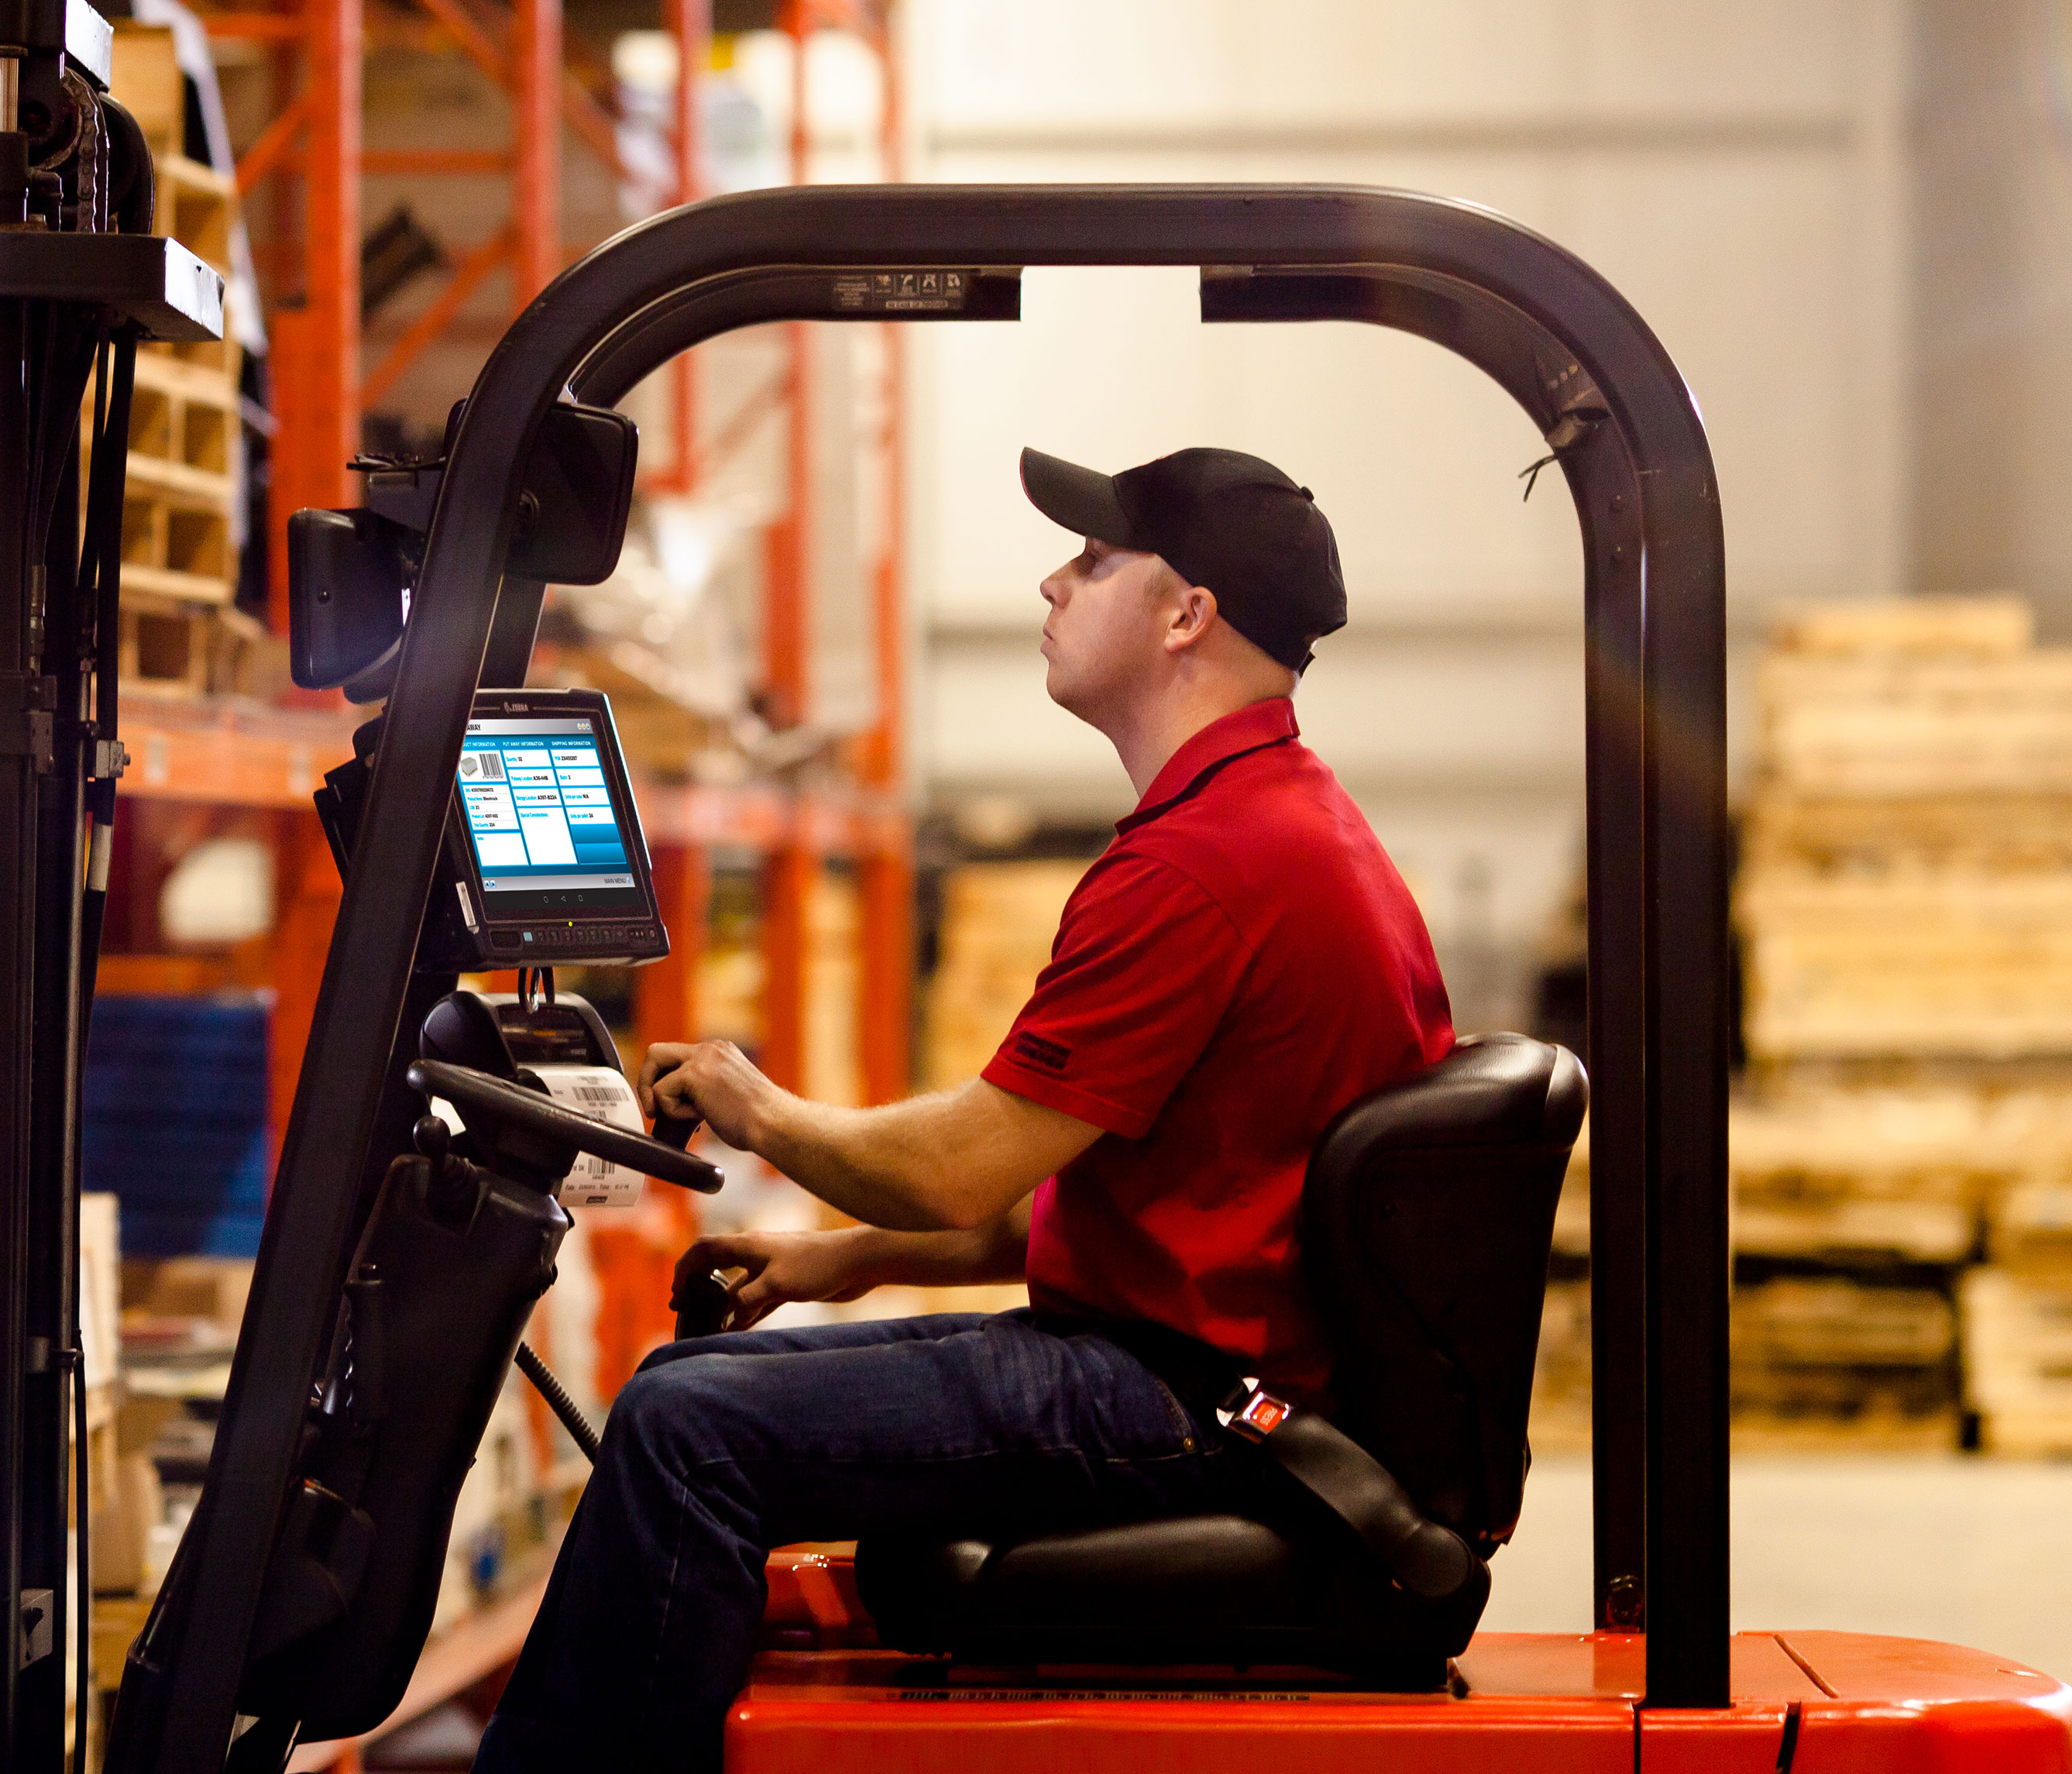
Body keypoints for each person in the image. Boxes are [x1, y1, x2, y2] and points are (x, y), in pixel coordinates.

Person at [469, 445, 1455, 1774]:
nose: (1054, 578)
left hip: (1188, 1400)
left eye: (1096, 559)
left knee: (686, 1428)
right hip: (1207, 1374)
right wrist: (840, 1259)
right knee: (684, 1385)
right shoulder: (1275, 825)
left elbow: (959, 1169)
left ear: (1187, 615)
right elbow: (1115, 1191)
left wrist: (756, 1108)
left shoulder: (1205, 867)